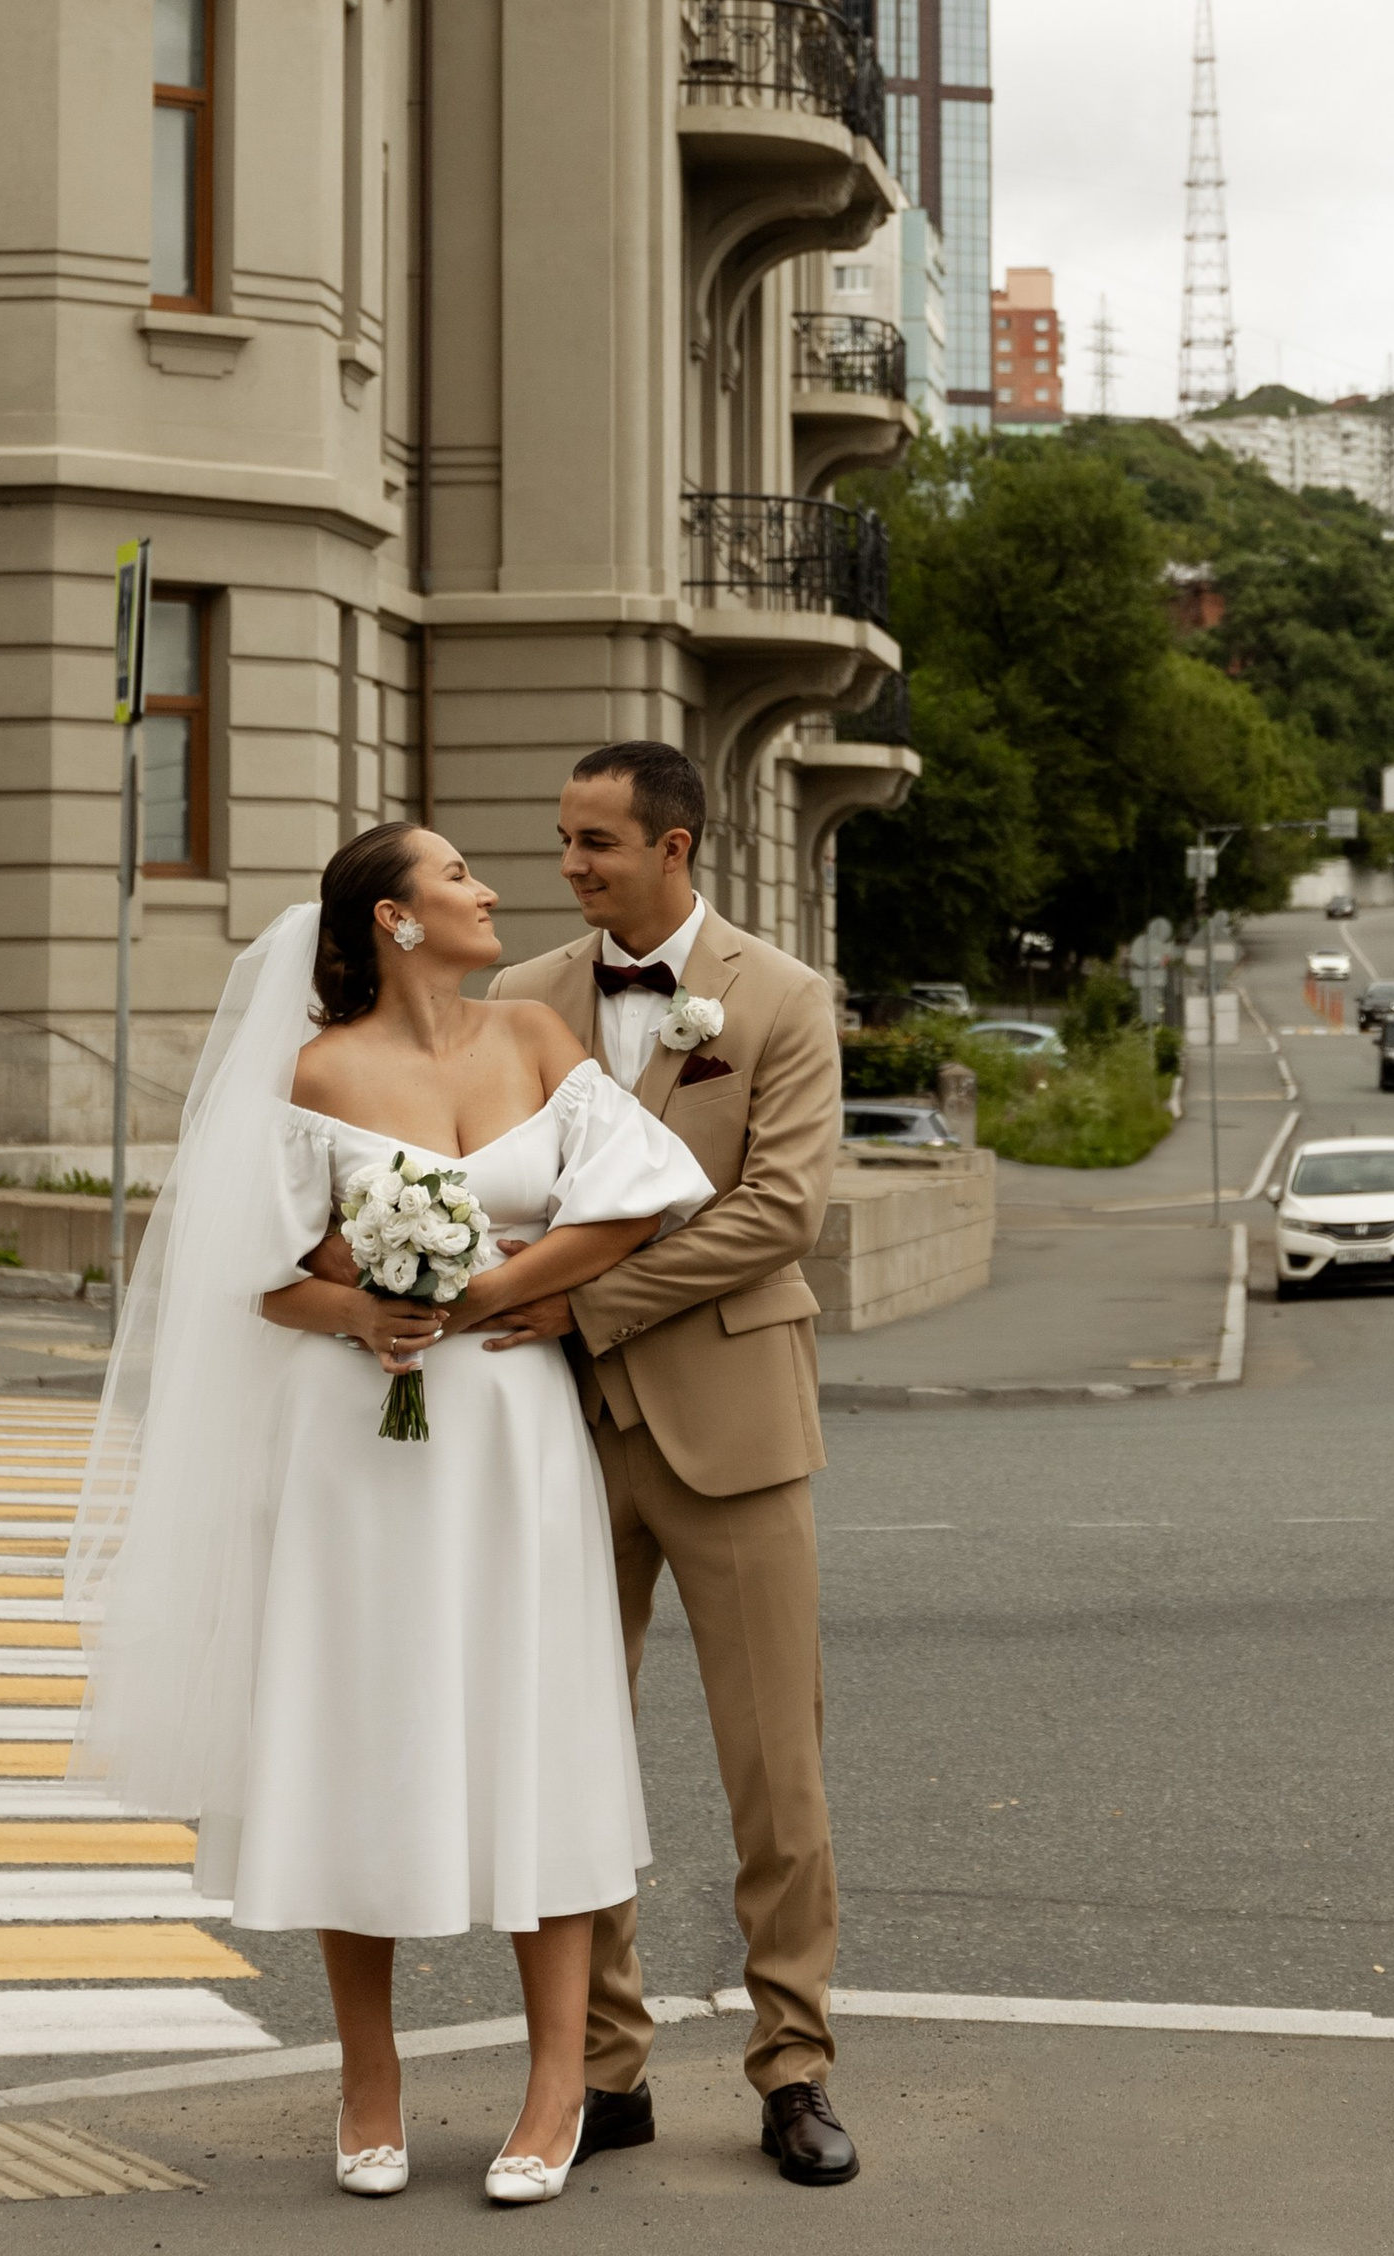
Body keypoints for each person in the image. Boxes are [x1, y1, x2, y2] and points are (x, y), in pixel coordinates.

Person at [68, 823, 715, 2208]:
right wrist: (367, 1305)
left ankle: (555, 2088)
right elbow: (259, 1270)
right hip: (356, 1444)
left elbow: (640, 1197)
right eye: (459, 875)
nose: (490, 890)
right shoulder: (313, 1074)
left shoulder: (540, 1037)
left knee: (528, 1725)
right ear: (395, 921)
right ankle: (369, 2075)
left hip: (512, 1433)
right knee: (357, 1733)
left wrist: (475, 1290)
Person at [488, 740, 859, 2191]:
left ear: (678, 848)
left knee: (777, 1774)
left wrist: (584, 1302)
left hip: (736, 1430)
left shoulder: (782, 997)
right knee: (571, 1758)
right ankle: (605, 2066)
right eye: (564, 839)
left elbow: (782, 1212)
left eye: (595, 843)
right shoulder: (521, 999)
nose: (570, 865)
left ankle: (795, 2069)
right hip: (554, 1434)